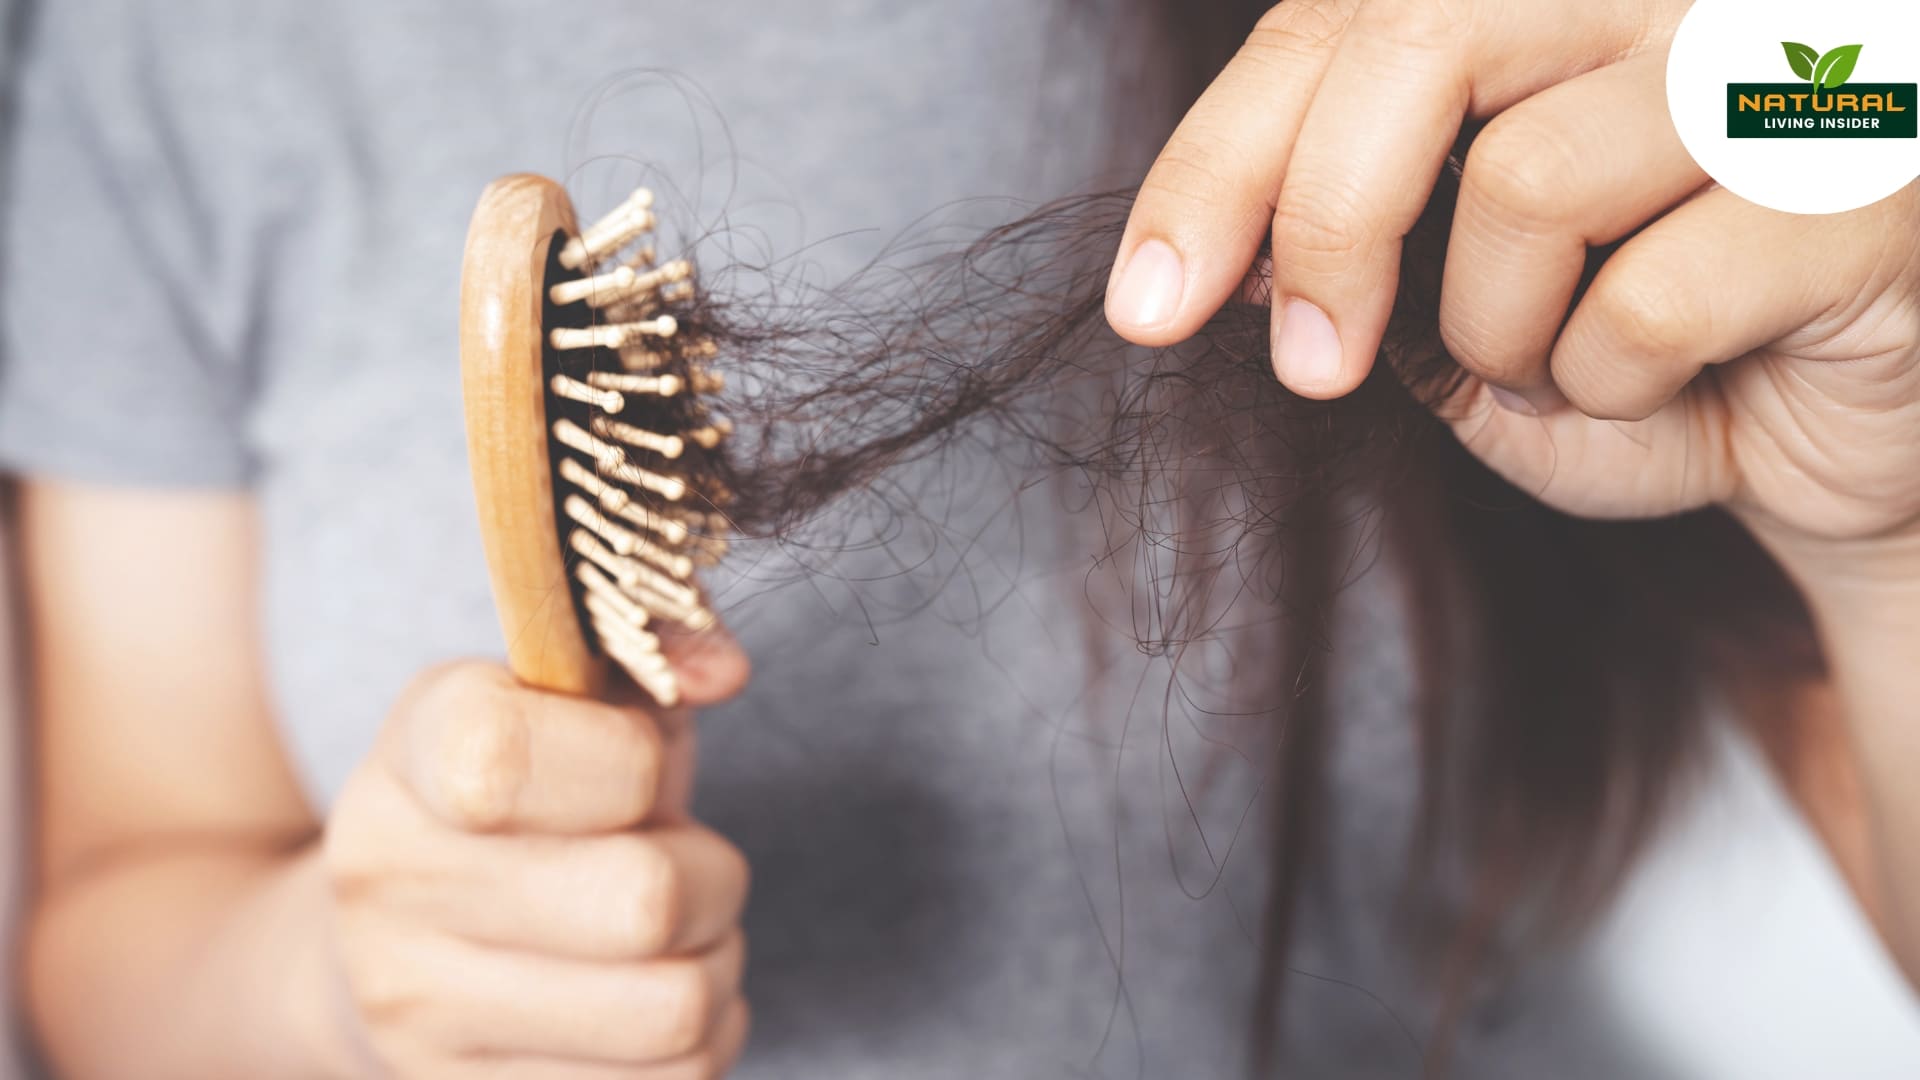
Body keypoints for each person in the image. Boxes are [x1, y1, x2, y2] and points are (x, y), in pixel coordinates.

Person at [3, 4, 1918, 1080]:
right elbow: (118, 916)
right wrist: (338, 988)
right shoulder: (173, 64)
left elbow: (1852, 85)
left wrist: (1894, 531)